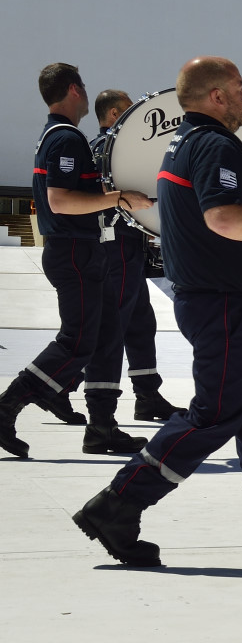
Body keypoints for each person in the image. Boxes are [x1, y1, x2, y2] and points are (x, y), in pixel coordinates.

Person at [73, 57, 242, 567]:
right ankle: (117, 505)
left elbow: (208, 227)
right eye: (241, 89)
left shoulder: (183, 145)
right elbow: (223, 217)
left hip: (223, 297)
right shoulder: (218, 145)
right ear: (217, 96)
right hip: (228, 304)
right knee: (213, 416)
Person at [0, 64, 153, 459]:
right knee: (77, 341)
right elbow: (61, 200)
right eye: (82, 86)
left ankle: (102, 428)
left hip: (81, 249)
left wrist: (112, 192)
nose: (86, 92)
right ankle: (5, 407)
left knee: (103, 338)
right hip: (72, 250)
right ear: (73, 90)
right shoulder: (66, 138)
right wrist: (118, 198)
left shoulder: (60, 136)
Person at [81, 89, 186, 424]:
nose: (135, 119)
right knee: (113, 326)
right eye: (128, 112)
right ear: (114, 115)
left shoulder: (117, 150)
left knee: (141, 322)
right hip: (114, 247)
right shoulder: (103, 150)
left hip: (129, 247)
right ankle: (90, 402)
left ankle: (147, 396)